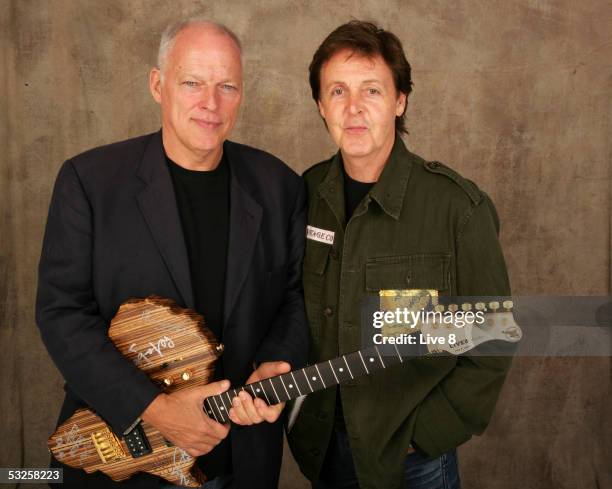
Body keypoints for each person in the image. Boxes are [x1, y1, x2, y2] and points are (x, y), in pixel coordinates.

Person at [36, 17, 308, 489]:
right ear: (158, 85)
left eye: (227, 85)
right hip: (127, 458)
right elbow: (62, 314)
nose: (211, 103)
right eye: (192, 83)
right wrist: (155, 410)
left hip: (242, 461)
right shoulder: (90, 182)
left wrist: (277, 362)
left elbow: (295, 296)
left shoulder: (279, 185)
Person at [287, 21, 512, 489]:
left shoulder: (457, 209)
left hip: (412, 462)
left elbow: (493, 334)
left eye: (372, 90)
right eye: (337, 91)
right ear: (320, 106)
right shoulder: (302, 196)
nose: (354, 109)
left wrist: (426, 435)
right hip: (323, 449)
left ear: (400, 100)